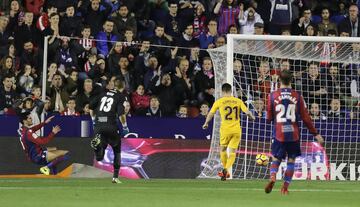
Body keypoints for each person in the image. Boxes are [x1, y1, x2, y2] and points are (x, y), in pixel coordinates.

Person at [265, 70, 324, 195]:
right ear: (291, 80)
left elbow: (269, 118)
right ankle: (285, 188)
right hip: (294, 135)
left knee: (276, 159)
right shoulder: (298, 96)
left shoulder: (272, 95)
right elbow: (306, 118)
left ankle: (273, 176)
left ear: (279, 80)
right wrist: (316, 134)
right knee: (291, 161)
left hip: (279, 134)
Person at [202, 83, 255, 181]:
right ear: (231, 91)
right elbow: (247, 112)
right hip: (236, 129)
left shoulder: (219, 101)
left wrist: (206, 123)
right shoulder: (238, 101)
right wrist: (252, 117)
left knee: (222, 150)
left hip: (225, 130)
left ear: (222, 91)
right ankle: (226, 169)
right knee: (233, 152)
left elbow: (211, 113)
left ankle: (225, 170)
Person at [89, 77, 129, 184]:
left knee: (99, 157)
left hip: (99, 125)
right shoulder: (121, 96)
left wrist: (93, 121)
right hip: (111, 125)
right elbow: (121, 114)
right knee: (117, 150)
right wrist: (125, 127)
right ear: (123, 87)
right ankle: (115, 177)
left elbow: (91, 108)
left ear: (114, 85)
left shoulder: (103, 93)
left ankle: (97, 148)